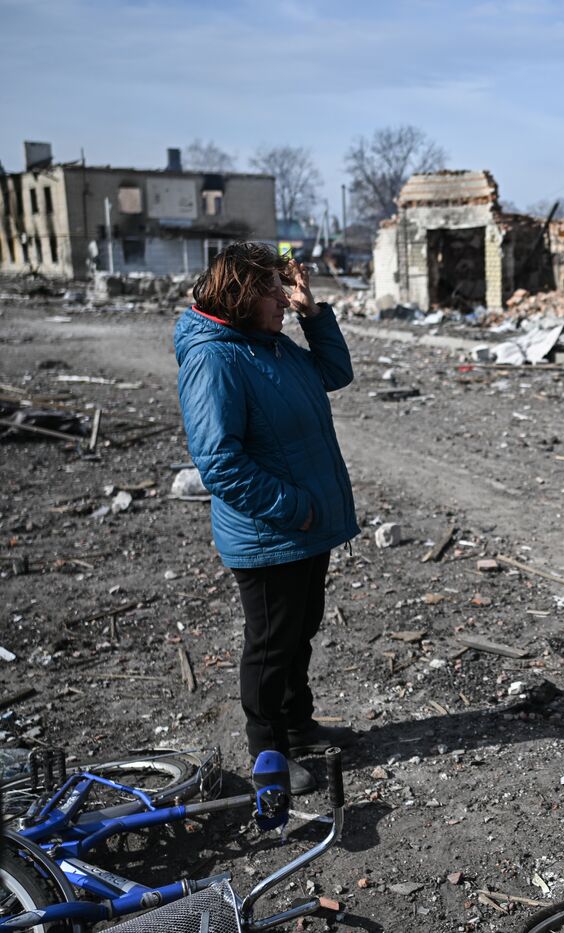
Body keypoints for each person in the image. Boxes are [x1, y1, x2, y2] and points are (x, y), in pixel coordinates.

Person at [175, 243, 362, 795]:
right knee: (270, 643)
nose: (283, 297)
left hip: (304, 528)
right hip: (271, 532)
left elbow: (335, 371)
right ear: (239, 296)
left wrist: (313, 313)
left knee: (300, 630)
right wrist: (295, 509)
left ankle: (298, 725)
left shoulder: (271, 346)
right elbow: (219, 463)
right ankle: (269, 755)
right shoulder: (215, 358)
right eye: (272, 290)